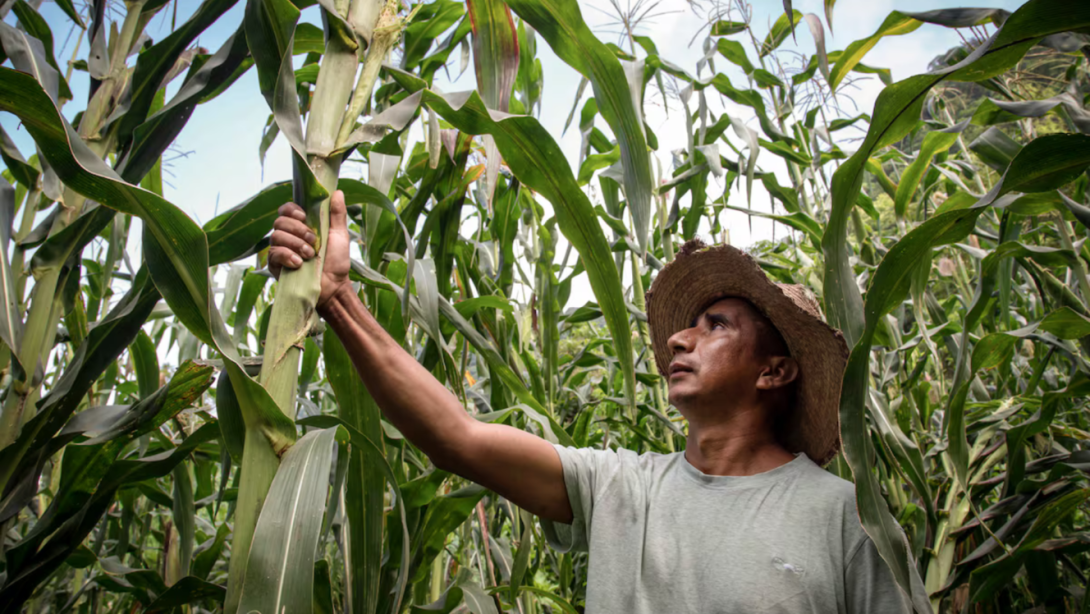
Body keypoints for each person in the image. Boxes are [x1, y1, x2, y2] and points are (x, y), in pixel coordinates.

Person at [269, 190, 930, 613]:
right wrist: (338, 300)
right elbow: (457, 437)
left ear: (776, 370)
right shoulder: (620, 490)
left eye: (716, 325)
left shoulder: (844, 517)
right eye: (689, 323)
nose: (679, 335)